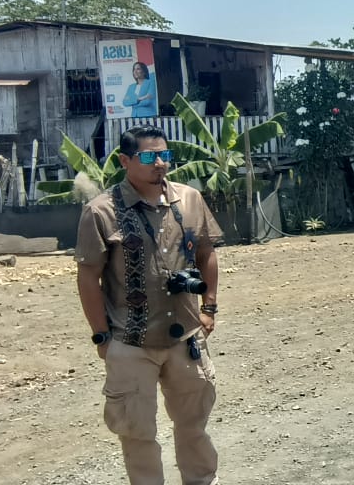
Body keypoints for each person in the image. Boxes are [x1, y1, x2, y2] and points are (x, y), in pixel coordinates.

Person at [76, 126, 223, 485]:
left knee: (193, 426)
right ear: (125, 161)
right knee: (137, 433)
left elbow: (206, 253)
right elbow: (88, 277)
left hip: (185, 339)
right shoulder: (101, 211)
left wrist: (209, 309)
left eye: (164, 155)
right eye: (148, 156)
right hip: (130, 341)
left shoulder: (189, 200)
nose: (159, 163)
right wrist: (102, 337)